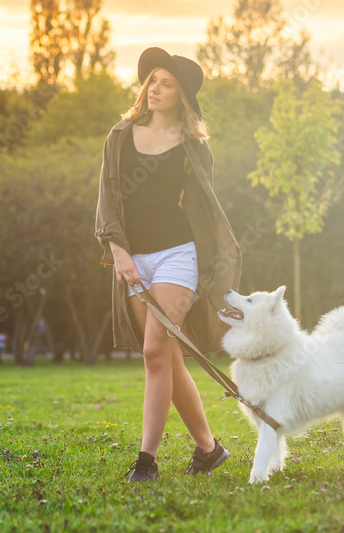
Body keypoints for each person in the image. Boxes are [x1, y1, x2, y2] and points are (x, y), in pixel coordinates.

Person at [95, 47, 242, 482]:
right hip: (134, 256)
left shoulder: (194, 147)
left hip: (179, 253)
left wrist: (216, 267)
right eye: (152, 80)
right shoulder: (120, 136)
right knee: (167, 357)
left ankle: (147, 460)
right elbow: (106, 199)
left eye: (166, 84)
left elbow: (205, 209)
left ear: (181, 96)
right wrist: (118, 251)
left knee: (154, 351)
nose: (155, 89)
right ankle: (209, 450)